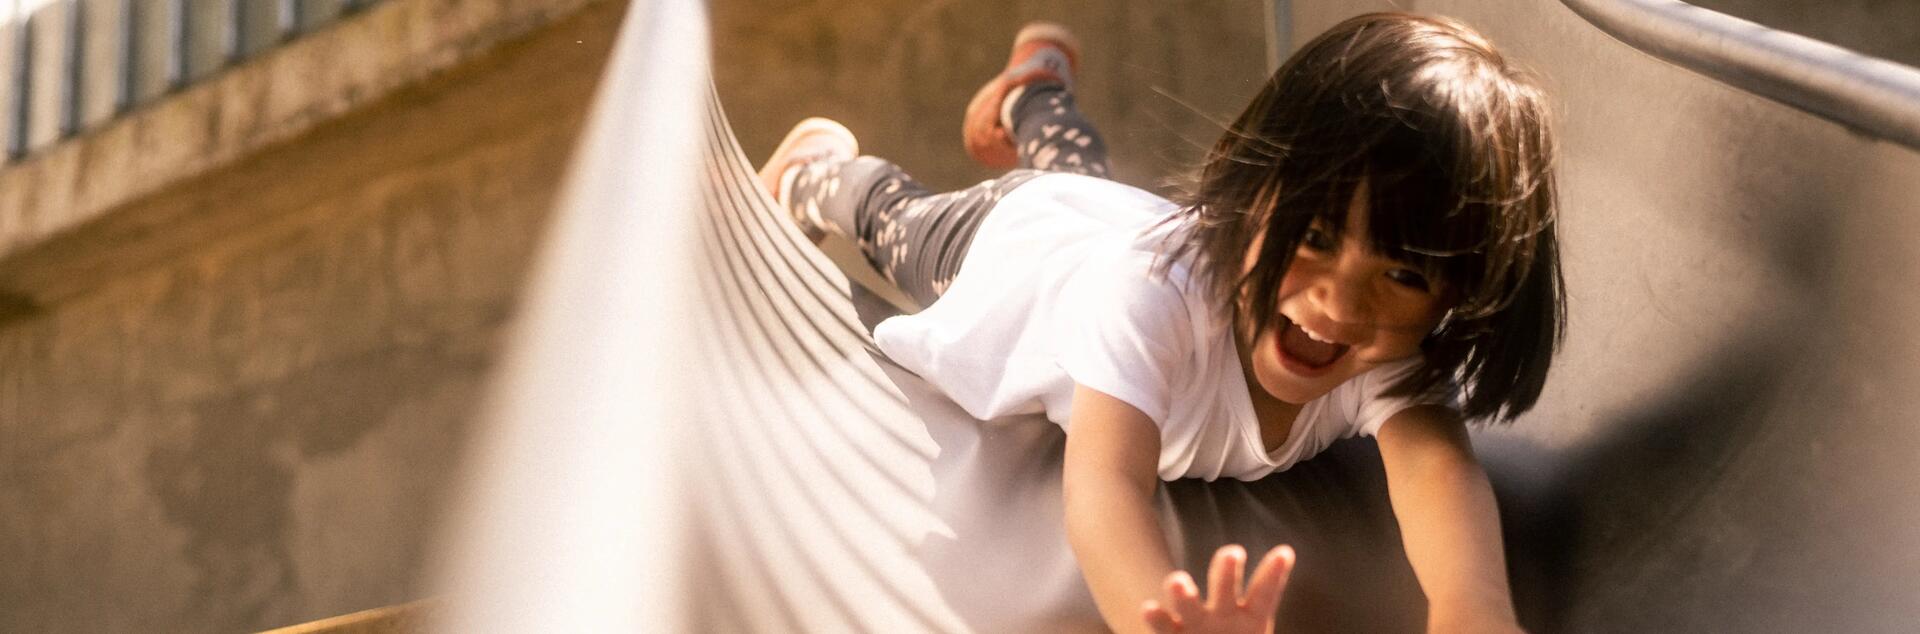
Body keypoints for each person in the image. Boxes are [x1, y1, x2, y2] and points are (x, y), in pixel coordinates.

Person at [757, 13, 1562, 634]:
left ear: (1459, 287)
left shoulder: (1395, 350)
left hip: (1115, 225)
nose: (1341, 305)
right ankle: (820, 170)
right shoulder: (1150, 299)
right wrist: (1159, 616)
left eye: (1402, 274)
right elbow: (1105, 488)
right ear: (1254, 189)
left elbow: (1437, 475)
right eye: (1315, 239)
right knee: (903, 226)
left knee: (1087, 179)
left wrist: (1474, 609)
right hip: (1017, 253)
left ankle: (1034, 90)